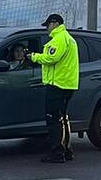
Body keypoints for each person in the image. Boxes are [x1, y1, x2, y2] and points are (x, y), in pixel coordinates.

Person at [29, 13, 79, 163]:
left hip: (58, 84)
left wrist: (33, 57)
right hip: (67, 84)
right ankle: (67, 151)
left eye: (48, 25)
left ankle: (57, 153)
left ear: (55, 23)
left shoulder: (59, 39)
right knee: (63, 118)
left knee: (53, 119)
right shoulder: (68, 38)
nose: (47, 29)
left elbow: (51, 58)